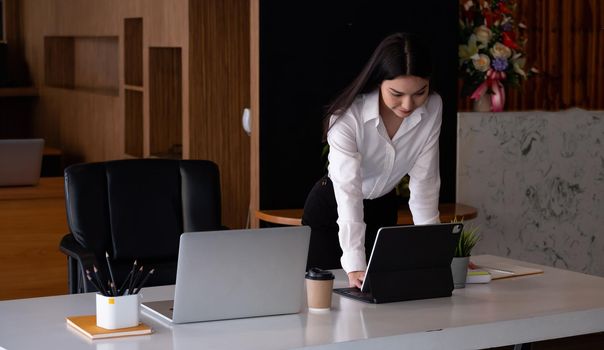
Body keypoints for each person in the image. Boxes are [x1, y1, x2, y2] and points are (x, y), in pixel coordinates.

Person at [302, 32, 442, 288]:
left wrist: (436, 253)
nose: (409, 104)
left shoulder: (432, 108)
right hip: (333, 209)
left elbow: (425, 183)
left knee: (378, 305)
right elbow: (348, 193)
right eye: (396, 93)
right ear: (379, 82)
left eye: (419, 92)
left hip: (382, 208)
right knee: (327, 302)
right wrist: (355, 263)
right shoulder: (347, 118)